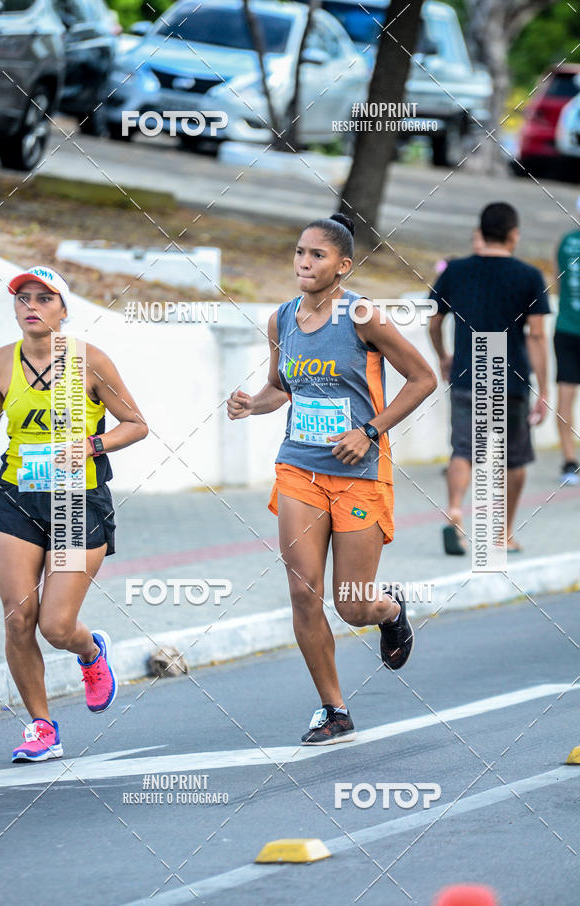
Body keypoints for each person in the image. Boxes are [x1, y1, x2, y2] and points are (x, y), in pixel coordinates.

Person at [227, 214, 437, 745]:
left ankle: (387, 609)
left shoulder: (362, 315)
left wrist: (370, 430)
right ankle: (333, 709)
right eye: (300, 252)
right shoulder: (282, 320)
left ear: (343, 266)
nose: (304, 261)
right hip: (299, 467)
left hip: (358, 474)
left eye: (317, 255)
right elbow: (281, 387)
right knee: (303, 592)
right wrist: (254, 403)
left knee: (351, 604)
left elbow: (423, 378)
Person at [0, 266, 148, 762]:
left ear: (63, 310)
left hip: (77, 501)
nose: (31, 306)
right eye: (22, 299)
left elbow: (136, 425)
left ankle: (91, 651)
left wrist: (93, 444)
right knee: (17, 620)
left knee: (55, 626)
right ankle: (41, 727)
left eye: (43, 299)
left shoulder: (89, 361)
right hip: (16, 496)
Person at [428, 202, 550, 555]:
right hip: (510, 382)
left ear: (481, 231)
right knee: (515, 459)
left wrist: (443, 357)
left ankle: (454, 513)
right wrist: (542, 389)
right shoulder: (529, 276)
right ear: (514, 234)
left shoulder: (456, 271)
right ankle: (503, 533)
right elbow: (538, 336)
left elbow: (434, 321)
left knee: (463, 451)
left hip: (467, 376)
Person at [553, 211, 580, 486]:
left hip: (566, 328)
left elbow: (557, 281)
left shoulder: (564, 242)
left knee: (566, 395)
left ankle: (570, 460)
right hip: (569, 329)